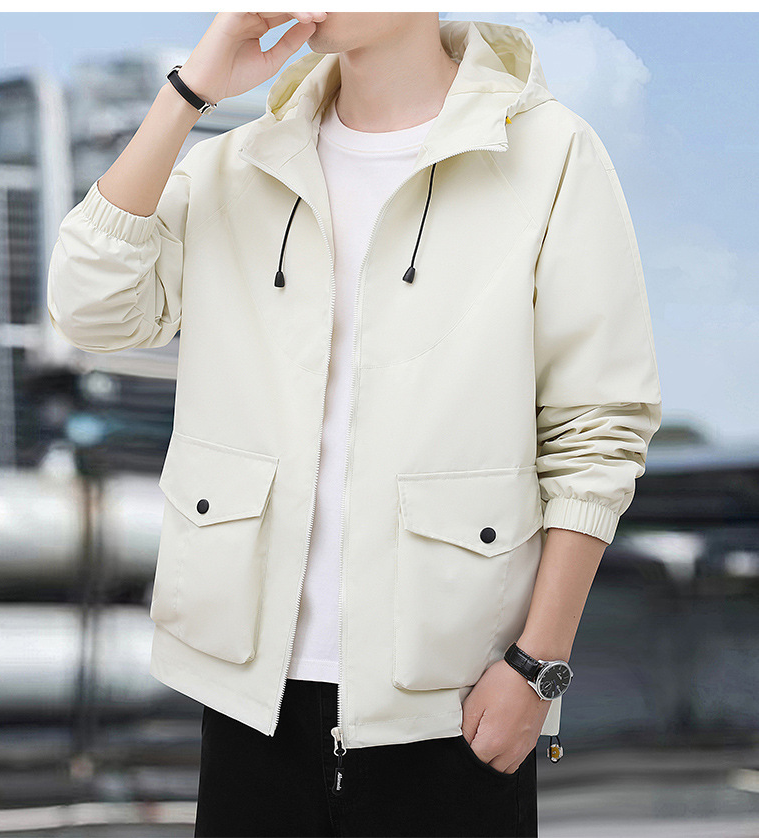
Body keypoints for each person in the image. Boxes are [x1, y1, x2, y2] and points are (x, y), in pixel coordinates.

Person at [47, 12, 663, 837]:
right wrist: (190, 93)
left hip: (456, 699)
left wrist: (536, 666)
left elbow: (598, 431)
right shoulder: (240, 161)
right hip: (251, 695)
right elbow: (89, 309)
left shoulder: (551, 154)